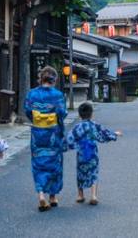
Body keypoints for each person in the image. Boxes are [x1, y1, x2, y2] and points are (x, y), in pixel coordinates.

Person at [24, 66, 68, 212]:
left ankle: (41, 194)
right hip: (53, 134)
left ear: (41, 79)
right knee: (54, 163)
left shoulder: (32, 94)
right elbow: (62, 113)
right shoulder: (57, 95)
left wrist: (39, 119)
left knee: (38, 163)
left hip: (37, 133)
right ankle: (53, 197)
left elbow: (28, 111)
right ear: (54, 80)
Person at [67, 102, 122, 205]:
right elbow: (104, 133)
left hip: (81, 153)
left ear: (79, 115)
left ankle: (80, 195)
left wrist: (74, 146)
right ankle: (93, 195)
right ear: (92, 114)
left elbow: (69, 139)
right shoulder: (94, 125)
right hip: (92, 153)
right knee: (93, 173)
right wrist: (115, 134)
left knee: (80, 173)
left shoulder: (77, 127)